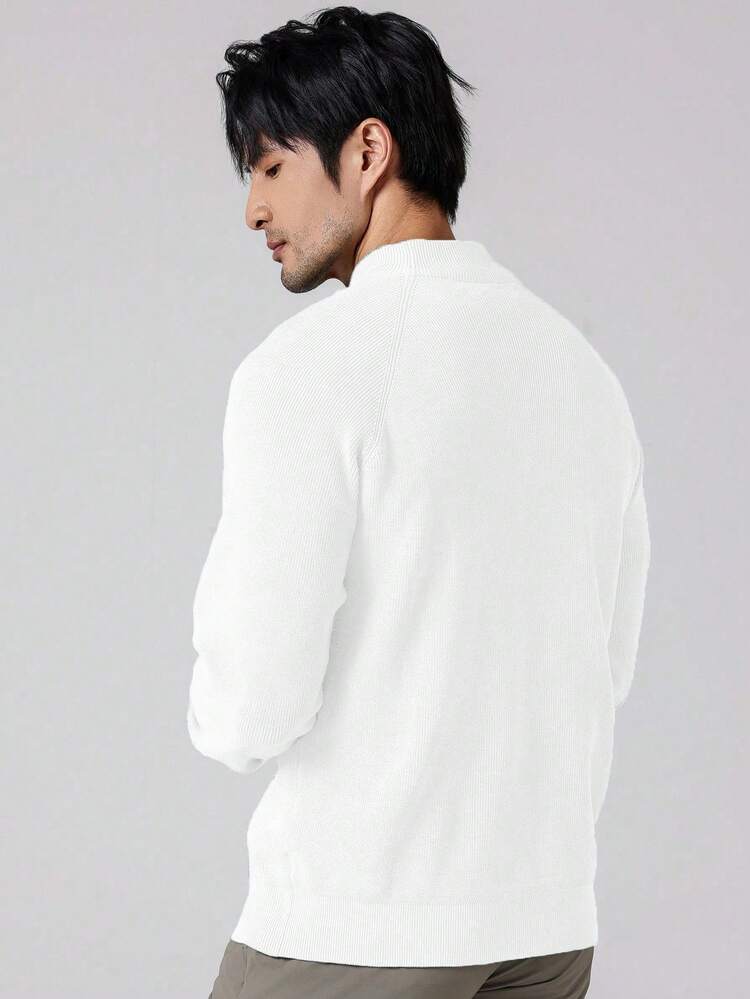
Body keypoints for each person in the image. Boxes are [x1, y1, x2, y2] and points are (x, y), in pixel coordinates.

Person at [186, 7, 651, 998]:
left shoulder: (308, 370)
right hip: (544, 928)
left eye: (269, 166)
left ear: (367, 152)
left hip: (359, 927)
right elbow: (606, 659)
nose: (253, 209)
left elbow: (249, 706)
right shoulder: (580, 372)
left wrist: (218, 701)